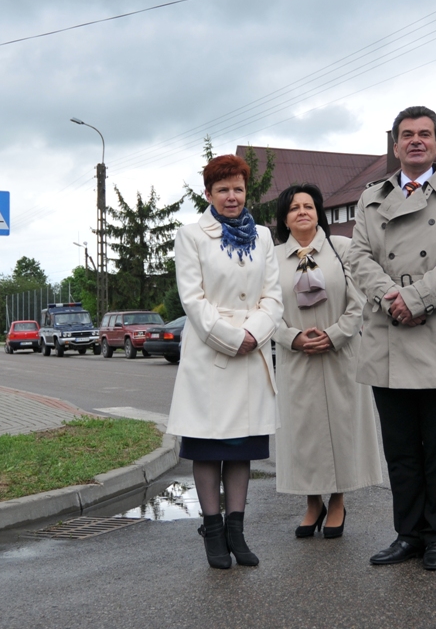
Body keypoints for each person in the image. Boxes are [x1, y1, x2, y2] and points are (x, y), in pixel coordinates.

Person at [348, 105, 436, 571]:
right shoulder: (370, 198)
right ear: (396, 146)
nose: (416, 141)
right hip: (388, 334)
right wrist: (392, 299)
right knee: (401, 450)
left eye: (425, 134)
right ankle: (407, 534)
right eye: (407, 135)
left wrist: (417, 298)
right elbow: (358, 258)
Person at [166, 154, 283, 569]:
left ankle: (237, 531)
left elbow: (273, 296)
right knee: (208, 447)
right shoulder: (191, 235)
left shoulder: (263, 236)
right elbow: (192, 300)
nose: (232, 196)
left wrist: (255, 333)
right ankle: (213, 531)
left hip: (252, 353)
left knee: (240, 449)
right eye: (223, 190)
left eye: (238, 189)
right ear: (208, 193)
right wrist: (234, 338)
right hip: (211, 354)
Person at [273, 184, 381, 539]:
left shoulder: (343, 248)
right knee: (304, 434)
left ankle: (337, 501)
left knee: (341, 430)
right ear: (285, 219)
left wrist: (335, 334)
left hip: (340, 354)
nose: (302, 212)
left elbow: (359, 301)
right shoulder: (272, 259)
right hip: (297, 358)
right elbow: (266, 309)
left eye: (308, 206)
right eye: (294, 208)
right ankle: (312, 502)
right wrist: (292, 337)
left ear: (318, 212)